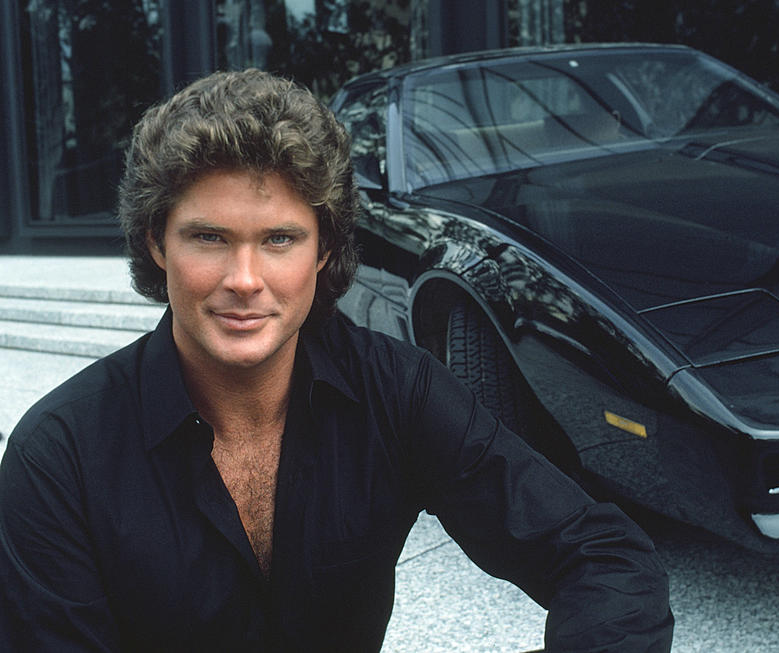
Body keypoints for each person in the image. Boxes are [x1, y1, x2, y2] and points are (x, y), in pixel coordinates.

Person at [0, 69, 673, 651]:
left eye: (279, 239)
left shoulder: (396, 390)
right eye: (208, 237)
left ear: (323, 250)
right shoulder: (60, 456)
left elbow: (604, 556)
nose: (244, 278)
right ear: (156, 243)